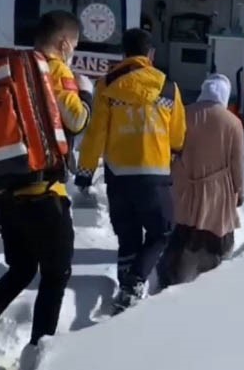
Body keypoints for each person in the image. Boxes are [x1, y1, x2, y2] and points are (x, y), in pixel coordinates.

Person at [0, 10, 92, 346]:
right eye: (74, 46)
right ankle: (40, 349)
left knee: (21, 270)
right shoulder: (57, 69)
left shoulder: (10, 71)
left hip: (6, 195)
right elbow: (77, 120)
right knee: (56, 274)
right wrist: (87, 96)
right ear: (64, 42)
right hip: (45, 195)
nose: (73, 52)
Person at [74, 27, 186, 313]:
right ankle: (134, 282)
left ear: (123, 54)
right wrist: (173, 150)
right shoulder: (167, 87)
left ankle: (126, 286)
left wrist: (85, 171)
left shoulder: (106, 86)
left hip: (118, 176)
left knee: (127, 234)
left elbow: (95, 133)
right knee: (162, 231)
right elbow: (178, 136)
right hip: (154, 177)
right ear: (151, 54)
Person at [157, 73, 244, 288]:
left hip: (184, 183)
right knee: (216, 232)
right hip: (219, 189)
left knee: (183, 230)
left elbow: (170, 148)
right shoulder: (233, 123)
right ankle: (211, 272)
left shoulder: (184, 114)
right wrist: (239, 191)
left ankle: (173, 272)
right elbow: (238, 163)